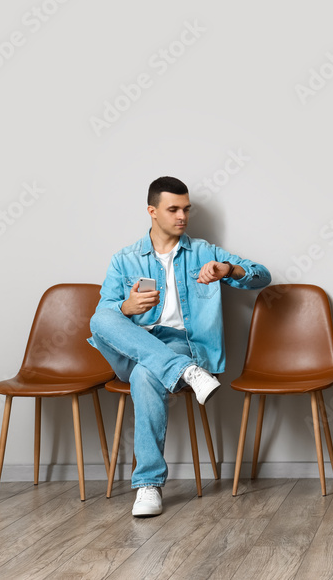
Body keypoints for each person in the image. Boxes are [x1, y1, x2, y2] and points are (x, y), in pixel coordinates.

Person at [88, 176, 270, 516]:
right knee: (100, 319)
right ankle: (187, 373)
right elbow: (105, 315)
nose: (182, 216)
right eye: (173, 209)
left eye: (186, 209)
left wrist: (228, 269)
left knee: (146, 374)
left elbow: (262, 275)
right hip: (135, 344)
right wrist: (126, 309)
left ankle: (148, 486)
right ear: (152, 211)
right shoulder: (124, 259)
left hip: (183, 346)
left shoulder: (204, 252)